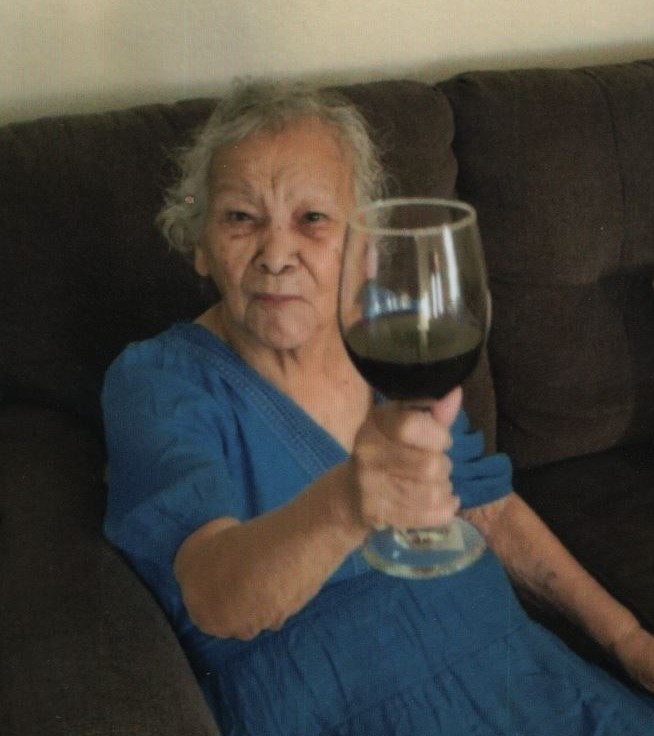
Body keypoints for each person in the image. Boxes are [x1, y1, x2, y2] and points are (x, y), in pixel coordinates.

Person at [102, 80, 654, 735]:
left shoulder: (388, 333)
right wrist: (346, 505)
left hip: (520, 678)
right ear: (200, 242)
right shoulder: (160, 381)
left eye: (312, 218)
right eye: (241, 217)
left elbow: (488, 506)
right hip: (340, 710)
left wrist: (626, 638)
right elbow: (214, 598)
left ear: (362, 246)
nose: (276, 256)